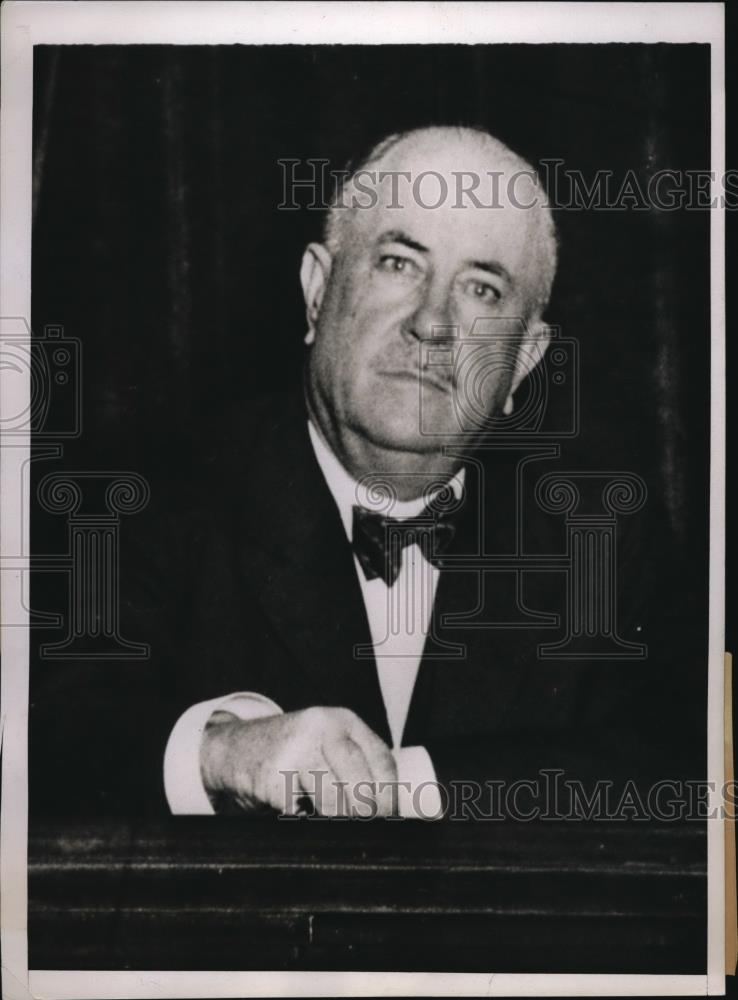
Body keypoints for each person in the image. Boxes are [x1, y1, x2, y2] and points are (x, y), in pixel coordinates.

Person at [29, 125, 702, 821]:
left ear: (524, 362)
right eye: (399, 263)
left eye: (481, 288)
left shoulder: (603, 535)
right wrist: (220, 752)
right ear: (318, 291)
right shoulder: (144, 493)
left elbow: (681, 761)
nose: (433, 324)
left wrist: (408, 784)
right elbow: (50, 731)